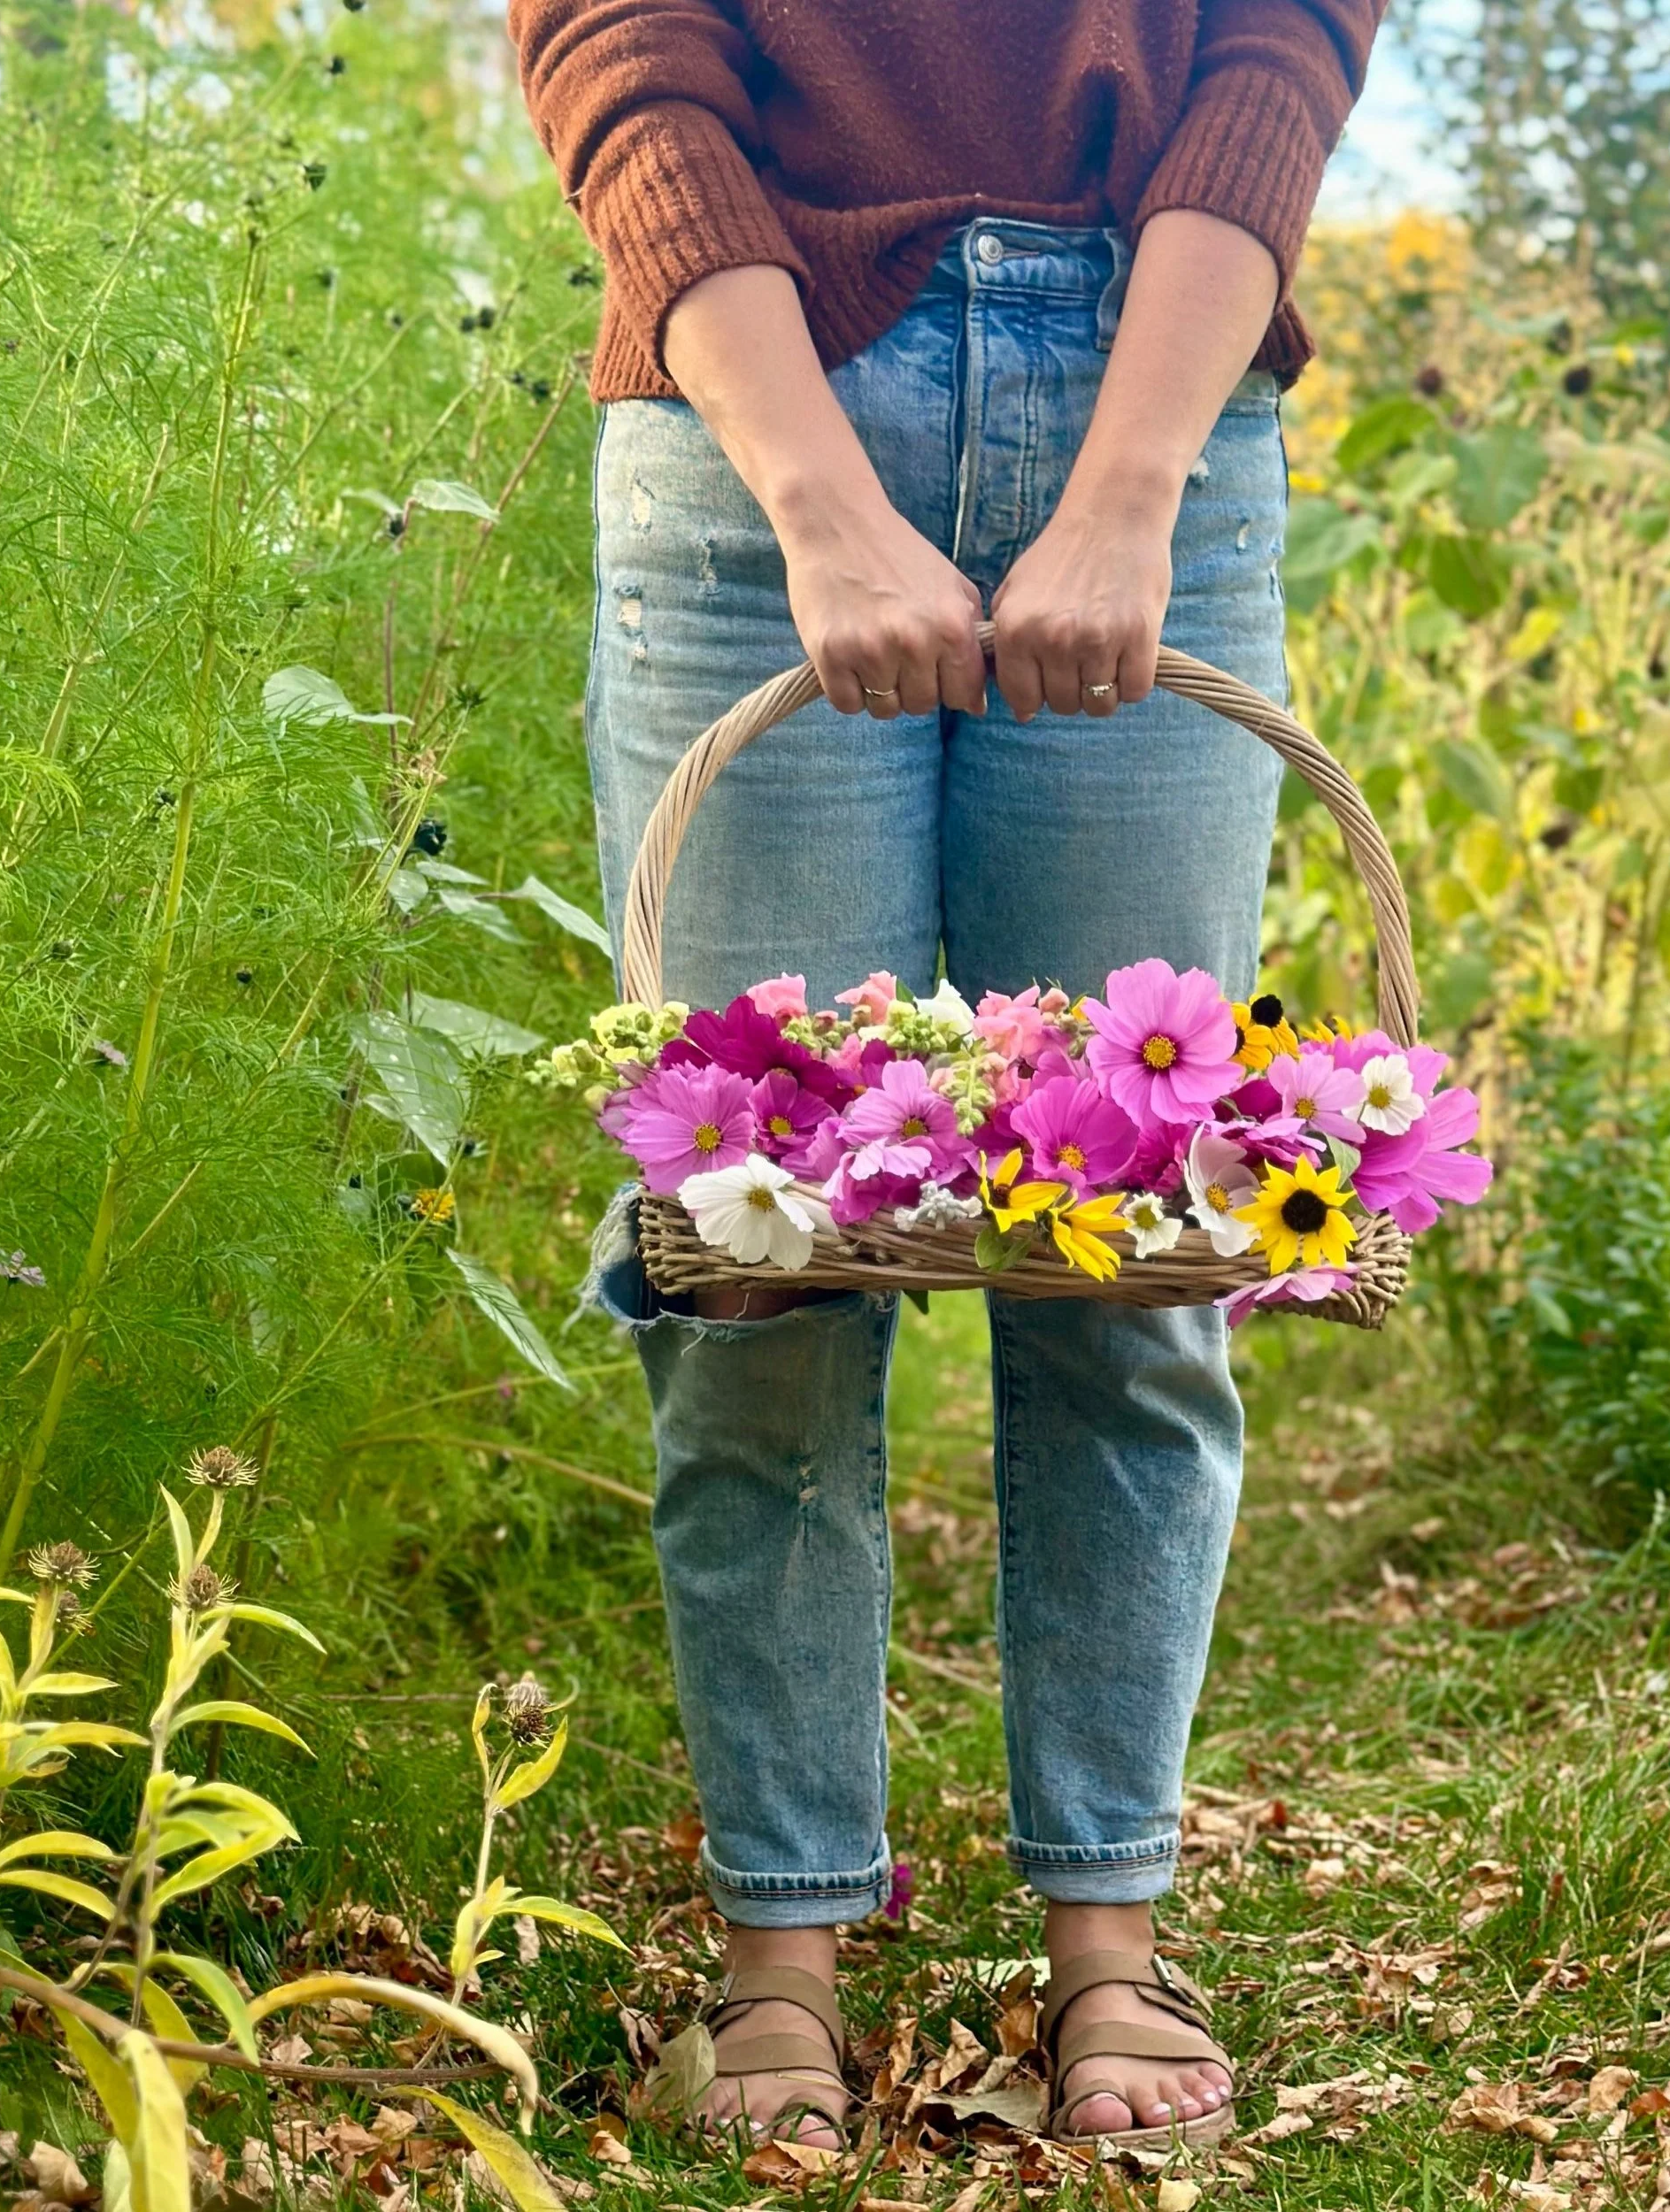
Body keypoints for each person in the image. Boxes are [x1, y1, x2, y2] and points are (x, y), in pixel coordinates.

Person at [507, 0, 1383, 2152]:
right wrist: (812, 495)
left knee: (1140, 1237)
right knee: (760, 1245)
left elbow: (1270, 55)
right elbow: (620, 54)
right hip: (752, 398)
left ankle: (1109, 1928)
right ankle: (780, 1939)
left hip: (1155, 367)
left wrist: (1127, 487)